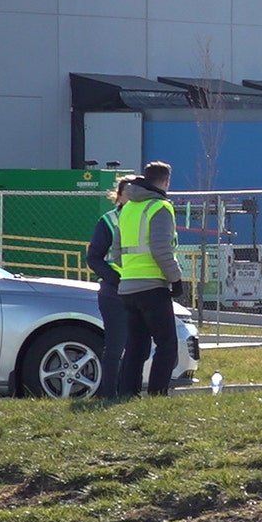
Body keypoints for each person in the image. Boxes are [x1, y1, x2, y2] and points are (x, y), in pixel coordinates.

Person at [115, 161, 184, 397]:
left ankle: (127, 393)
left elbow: (116, 253)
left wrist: (130, 273)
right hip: (153, 286)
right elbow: (161, 249)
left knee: (136, 345)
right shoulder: (160, 207)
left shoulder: (127, 209)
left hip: (127, 287)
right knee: (166, 345)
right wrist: (175, 279)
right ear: (166, 182)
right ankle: (157, 394)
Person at [86, 174, 137, 399]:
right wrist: (113, 278)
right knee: (115, 345)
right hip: (114, 292)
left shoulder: (146, 218)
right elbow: (94, 257)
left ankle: (129, 392)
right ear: (119, 195)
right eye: (129, 191)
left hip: (140, 289)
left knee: (137, 346)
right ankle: (109, 394)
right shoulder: (109, 220)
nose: (133, 195)